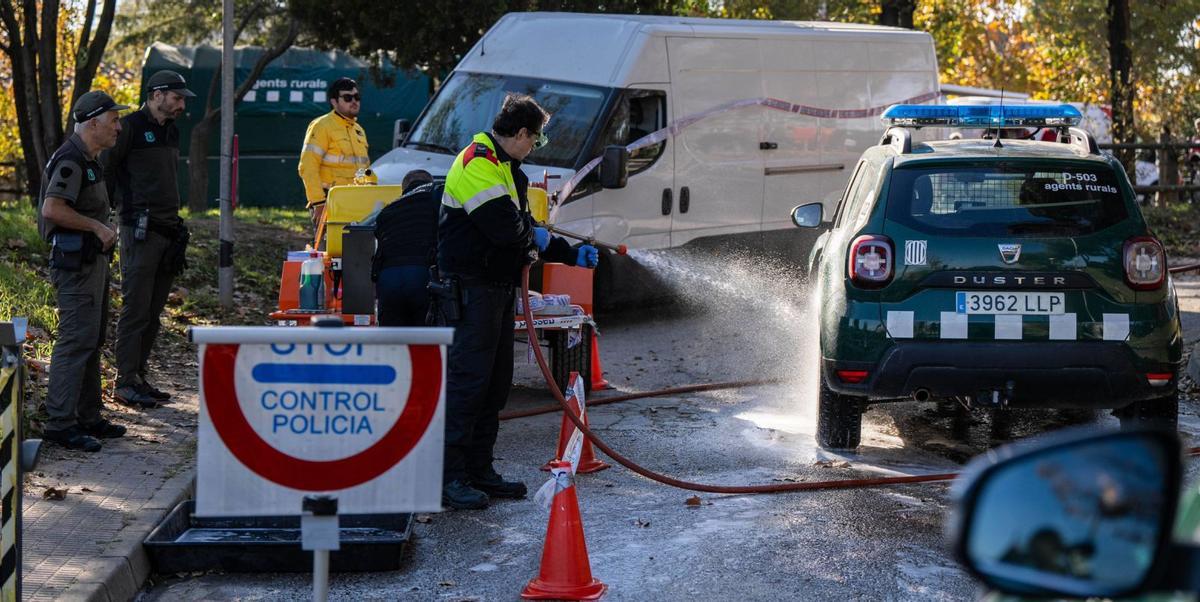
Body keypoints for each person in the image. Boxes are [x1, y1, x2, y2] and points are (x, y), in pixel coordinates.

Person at [434, 93, 600, 510]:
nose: (534, 147)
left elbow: (523, 226)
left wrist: (565, 251)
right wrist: (536, 239)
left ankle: (480, 470)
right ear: (522, 133)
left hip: (494, 290)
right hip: (471, 291)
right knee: (468, 384)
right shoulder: (477, 163)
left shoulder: (506, 168)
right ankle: (449, 477)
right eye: (536, 140)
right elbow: (507, 232)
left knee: (494, 385)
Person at [38, 91, 131, 451]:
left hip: (92, 263)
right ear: (93, 123)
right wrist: (96, 227)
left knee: (91, 340)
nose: (119, 128)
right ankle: (60, 424)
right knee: (75, 340)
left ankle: (89, 416)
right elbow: (52, 210)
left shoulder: (90, 159)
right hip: (75, 265)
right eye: (114, 120)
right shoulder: (71, 160)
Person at [105, 70, 195, 408]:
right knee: (135, 309)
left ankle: (139, 377)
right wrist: (111, 215)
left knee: (154, 311)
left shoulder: (170, 130)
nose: (182, 105)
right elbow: (108, 170)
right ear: (157, 94)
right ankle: (124, 381)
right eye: (177, 97)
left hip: (168, 231)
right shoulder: (128, 127)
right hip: (138, 230)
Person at [298, 77, 369, 231]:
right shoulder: (322, 126)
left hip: (357, 203)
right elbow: (307, 166)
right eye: (348, 98)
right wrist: (318, 203)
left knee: (356, 252)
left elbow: (364, 169)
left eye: (357, 97)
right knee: (329, 252)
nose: (354, 101)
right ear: (334, 102)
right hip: (330, 202)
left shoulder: (359, 130)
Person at [372, 169, 439, 326]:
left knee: (393, 343)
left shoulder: (387, 211)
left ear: (404, 189)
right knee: (425, 341)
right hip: (423, 276)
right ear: (430, 184)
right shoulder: (436, 200)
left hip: (388, 279)